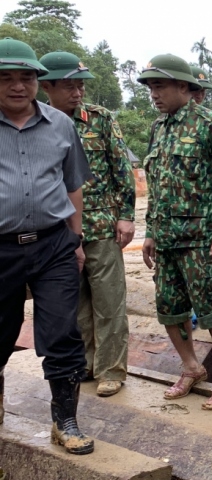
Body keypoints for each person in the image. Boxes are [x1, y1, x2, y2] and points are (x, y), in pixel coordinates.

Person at [0, 38, 94, 454]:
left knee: (62, 333)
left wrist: (76, 239)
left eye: (27, 77)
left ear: (38, 81)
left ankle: (65, 421)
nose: (18, 86)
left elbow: (73, 186)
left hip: (54, 244)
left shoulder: (60, 125)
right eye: (6, 78)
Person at [137, 54, 212, 410]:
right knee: (169, 308)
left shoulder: (211, 124)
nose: (154, 94)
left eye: (160, 86)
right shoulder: (158, 127)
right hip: (166, 239)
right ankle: (191, 367)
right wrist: (150, 231)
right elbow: (156, 185)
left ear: (183, 86)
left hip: (201, 239)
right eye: (150, 88)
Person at [38, 51, 135, 398]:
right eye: (69, 86)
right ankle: (86, 364)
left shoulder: (100, 119)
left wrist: (126, 215)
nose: (78, 92)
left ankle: (111, 370)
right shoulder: (38, 121)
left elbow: (121, 168)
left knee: (109, 302)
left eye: (80, 85)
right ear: (46, 86)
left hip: (102, 226)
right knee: (74, 305)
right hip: (59, 229)